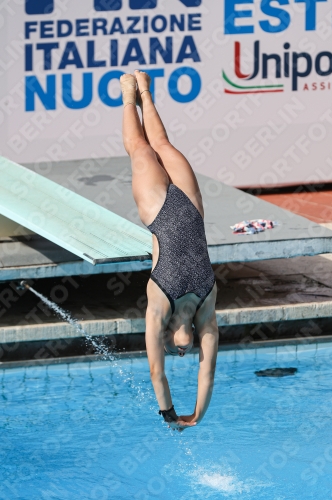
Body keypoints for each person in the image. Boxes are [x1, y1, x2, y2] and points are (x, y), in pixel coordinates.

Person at [120, 70, 219, 432]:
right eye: (186, 352)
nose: (183, 352)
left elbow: (155, 371)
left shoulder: (159, 306)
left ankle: (129, 95)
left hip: (159, 210)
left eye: (177, 351)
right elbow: (207, 370)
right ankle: (146, 90)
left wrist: (170, 415)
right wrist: (196, 415)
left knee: (141, 149)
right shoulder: (206, 310)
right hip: (192, 206)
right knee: (162, 143)